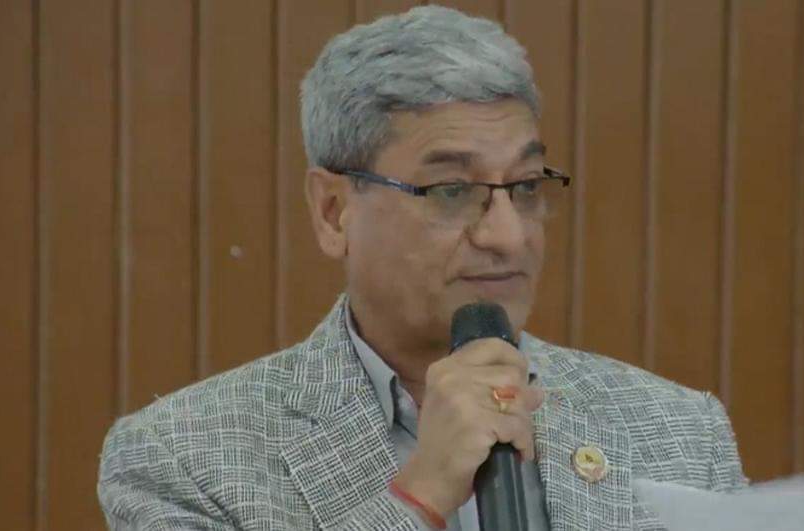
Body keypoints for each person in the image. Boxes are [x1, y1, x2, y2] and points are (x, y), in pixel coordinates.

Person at [97, 6, 747, 530]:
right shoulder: (183, 457)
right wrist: (422, 494)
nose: (507, 235)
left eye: (525, 185)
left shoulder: (681, 432)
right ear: (333, 212)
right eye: (451, 191)